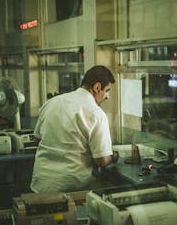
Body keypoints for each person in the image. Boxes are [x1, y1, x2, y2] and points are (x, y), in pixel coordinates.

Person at [30, 65, 119, 193]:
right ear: (97, 87)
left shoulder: (52, 102)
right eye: (107, 90)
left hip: (41, 185)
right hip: (71, 189)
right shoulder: (96, 113)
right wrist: (114, 155)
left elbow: (37, 140)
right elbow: (102, 160)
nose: (107, 96)